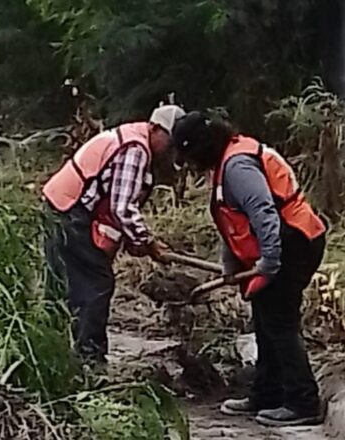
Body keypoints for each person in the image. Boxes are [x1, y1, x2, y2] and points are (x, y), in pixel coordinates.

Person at [171, 111, 327, 427]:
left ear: (200, 147)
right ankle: (267, 393)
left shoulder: (238, 167)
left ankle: (302, 402)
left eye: (188, 156)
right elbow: (233, 221)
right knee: (265, 320)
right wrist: (231, 264)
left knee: (280, 323)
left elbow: (263, 213)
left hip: (292, 240)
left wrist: (270, 262)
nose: (187, 165)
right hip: (283, 241)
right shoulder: (228, 160)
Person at [42, 104, 185, 364]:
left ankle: (51, 353)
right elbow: (122, 208)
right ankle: (90, 359)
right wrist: (149, 243)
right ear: (155, 129)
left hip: (61, 206)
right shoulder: (135, 150)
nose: (171, 151)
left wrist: (133, 240)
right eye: (171, 143)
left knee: (63, 286)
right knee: (96, 284)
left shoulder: (133, 136)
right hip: (70, 213)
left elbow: (113, 205)